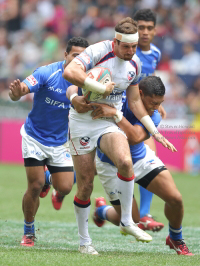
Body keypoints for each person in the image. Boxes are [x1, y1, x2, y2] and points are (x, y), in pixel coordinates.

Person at [63, 17, 176, 255]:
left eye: (134, 47)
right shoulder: (97, 51)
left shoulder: (135, 63)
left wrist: (154, 131)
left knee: (125, 162)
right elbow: (70, 72)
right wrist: (96, 88)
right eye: (126, 46)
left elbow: (134, 101)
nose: (131, 51)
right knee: (85, 186)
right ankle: (85, 242)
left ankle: (127, 221)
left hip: (107, 121)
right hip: (82, 121)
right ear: (116, 42)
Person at [92, 76, 193, 256]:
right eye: (153, 102)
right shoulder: (117, 100)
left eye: (160, 103)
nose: (157, 108)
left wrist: (114, 114)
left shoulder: (153, 115)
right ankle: (101, 211)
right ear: (139, 94)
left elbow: (134, 137)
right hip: (111, 166)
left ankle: (175, 238)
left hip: (139, 159)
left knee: (176, 199)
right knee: (133, 220)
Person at [8, 37, 90, 247]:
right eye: (74, 55)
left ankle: (47, 177)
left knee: (65, 187)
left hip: (59, 142)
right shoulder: (48, 72)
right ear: (65, 55)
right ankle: (28, 231)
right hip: (34, 137)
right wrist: (18, 93)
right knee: (34, 187)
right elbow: (25, 88)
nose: (78, 60)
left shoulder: (87, 81)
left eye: (82, 57)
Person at [133, 8, 166, 231]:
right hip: (122, 113)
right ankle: (58, 180)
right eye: (140, 28)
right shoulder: (127, 52)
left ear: (155, 30)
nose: (144, 32)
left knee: (149, 158)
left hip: (141, 115)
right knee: (93, 166)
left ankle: (144, 214)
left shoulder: (155, 53)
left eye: (149, 28)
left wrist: (157, 104)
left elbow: (148, 84)